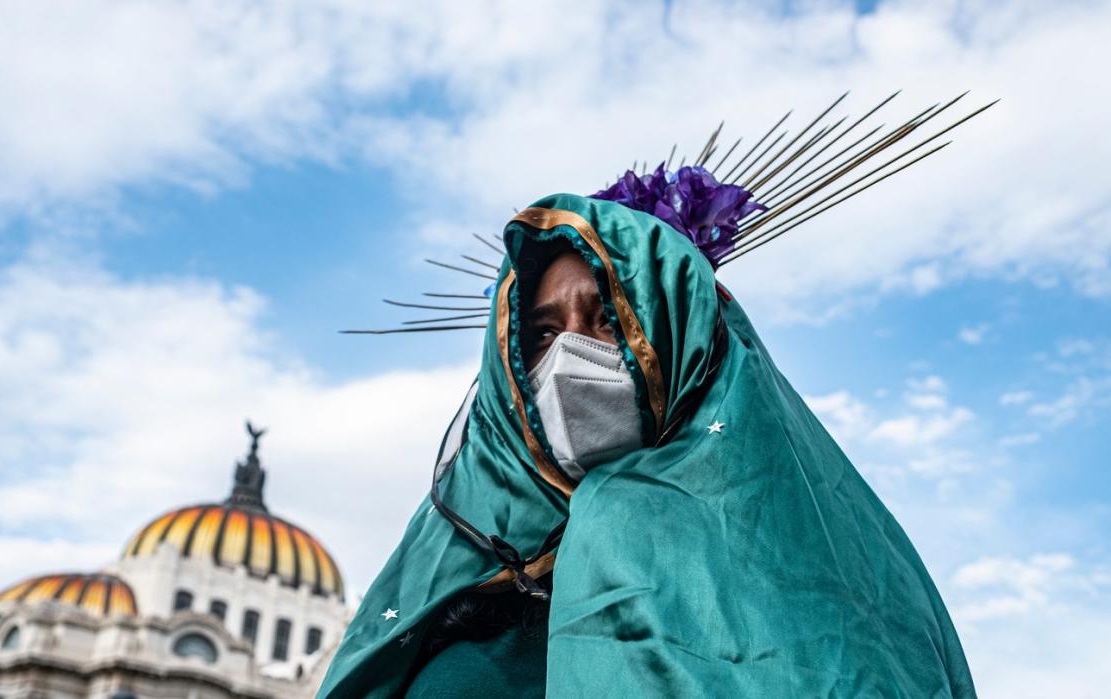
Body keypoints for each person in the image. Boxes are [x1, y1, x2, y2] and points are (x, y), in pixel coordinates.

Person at [322, 94, 989, 697]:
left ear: (681, 336)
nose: (570, 356)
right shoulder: (456, 593)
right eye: (544, 332)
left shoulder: (810, 577)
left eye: (607, 319)